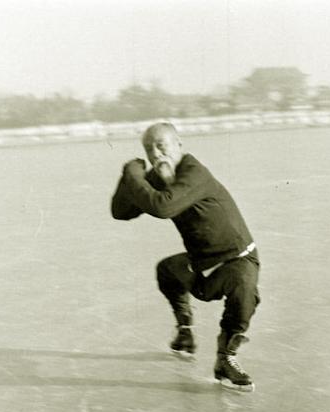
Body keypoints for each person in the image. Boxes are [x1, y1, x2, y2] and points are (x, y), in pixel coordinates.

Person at [110, 122, 260, 390]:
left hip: (235, 262)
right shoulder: (158, 177)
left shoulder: (194, 173)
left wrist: (133, 176)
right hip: (200, 264)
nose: (155, 154)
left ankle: (226, 358)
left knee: (244, 289)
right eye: (148, 149)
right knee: (167, 270)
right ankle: (184, 333)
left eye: (161, 145)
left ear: (179, 144)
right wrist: (129, 179)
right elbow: (121, 212)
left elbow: (163, 206)